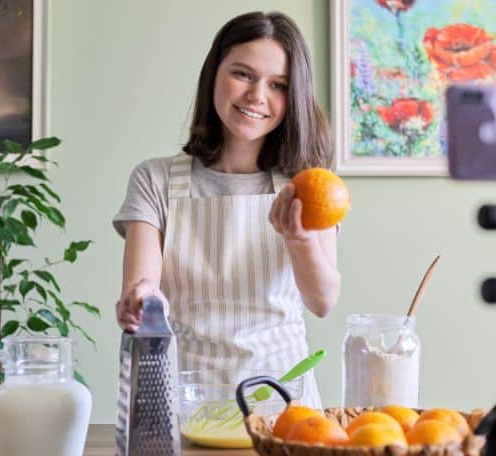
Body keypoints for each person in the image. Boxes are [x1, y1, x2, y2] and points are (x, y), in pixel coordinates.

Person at [112, 11, 339, 407]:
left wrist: (299, 238)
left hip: (282, 404)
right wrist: (143, 299)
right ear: (213, 73)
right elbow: (142, 284)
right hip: (182, 398)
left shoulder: (306, 184)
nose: (257, 96)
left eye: (278, 85)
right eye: (243, 74)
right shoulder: (155, 180)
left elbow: (323, 300)